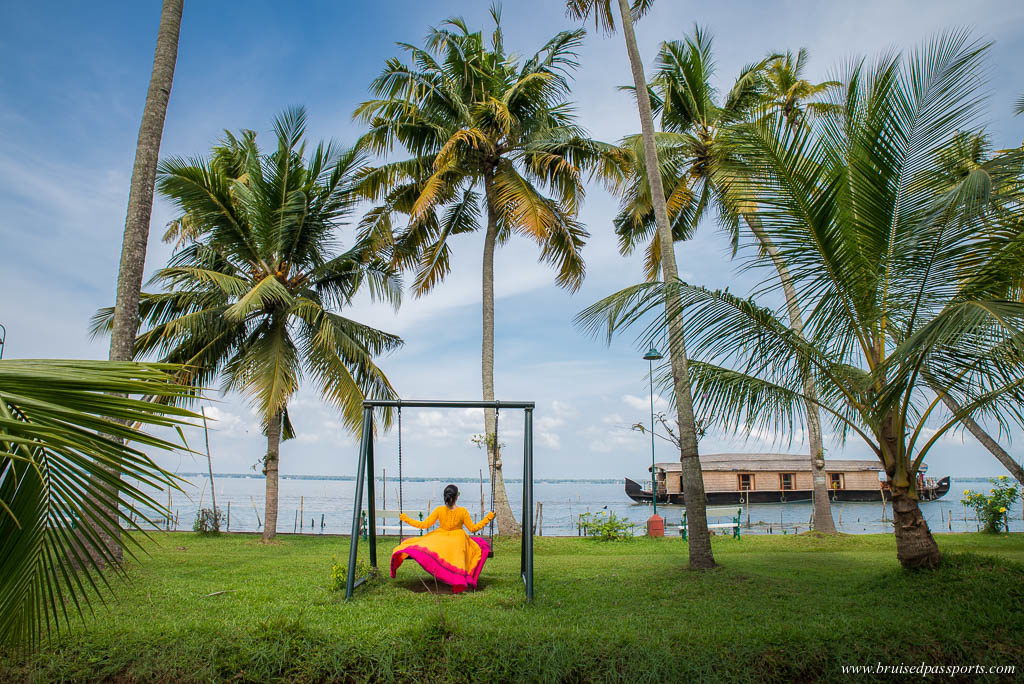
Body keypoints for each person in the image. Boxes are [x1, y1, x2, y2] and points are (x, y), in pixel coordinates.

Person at [391, 484, 495, 593]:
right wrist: (489, 517)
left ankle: (447, 574)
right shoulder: (463, 511)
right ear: (456, 497)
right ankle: (458, 577)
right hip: (458, 538)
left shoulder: (439, 510)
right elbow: (473, 529)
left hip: (441, 537)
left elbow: (424, 525)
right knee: (461, 552)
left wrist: (406, 519)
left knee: (430, 546)